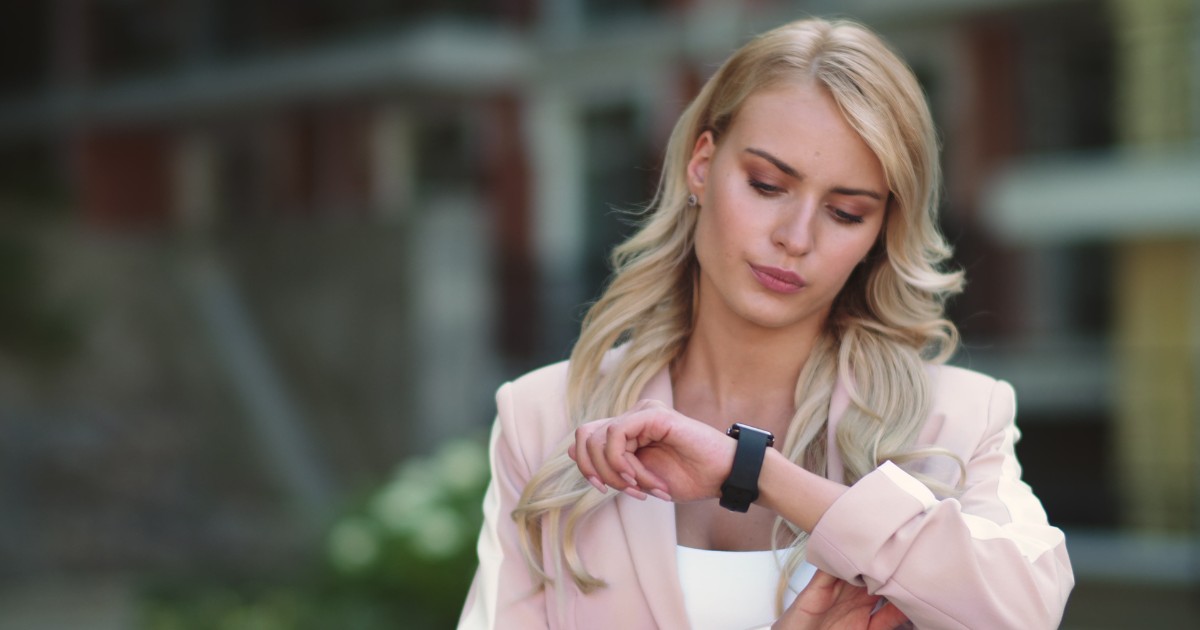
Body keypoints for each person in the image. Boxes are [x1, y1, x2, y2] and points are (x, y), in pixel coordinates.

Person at [458, 17, 1073, 630]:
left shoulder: (956, 418)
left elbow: (1025, 614)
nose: (796, 237)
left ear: (879, 233)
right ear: (702, 164)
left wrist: (753, 472)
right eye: (767, 185)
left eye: (845, 211)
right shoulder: (542, 416)